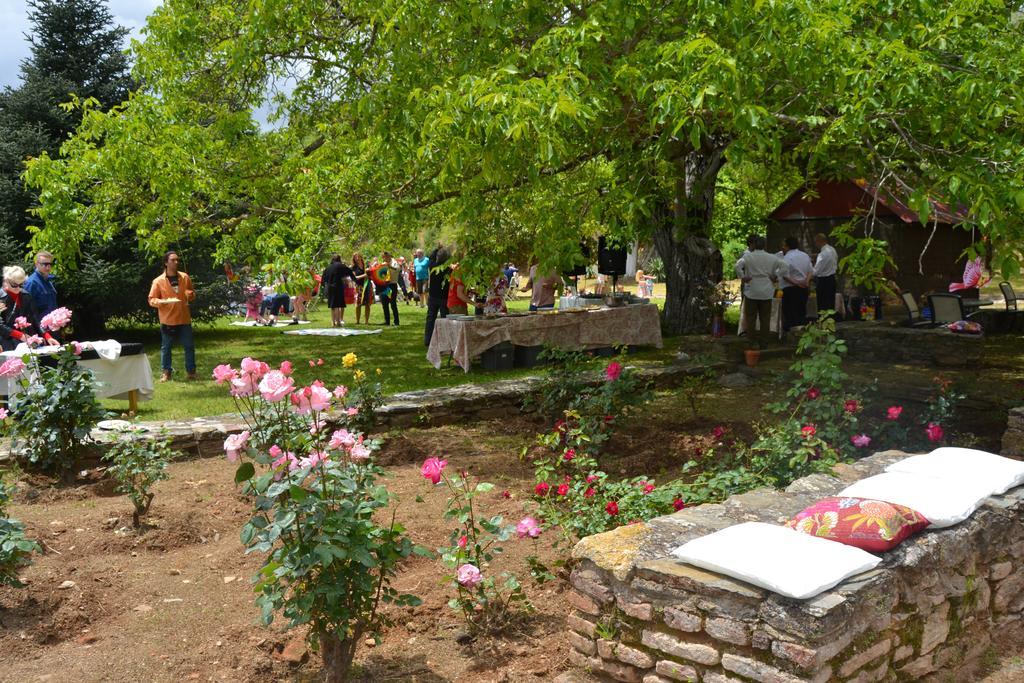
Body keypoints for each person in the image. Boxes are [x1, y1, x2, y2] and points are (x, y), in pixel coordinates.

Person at [147, 251, 197, 381]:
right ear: (166, 263)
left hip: (184, 318)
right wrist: (161, 302)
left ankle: (191, 372)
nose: (176, 262)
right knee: (166, 347)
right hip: (168, 319)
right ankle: (166, 373)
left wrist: (190, 294)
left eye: (177, 260)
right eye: (173, 260)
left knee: (189, 346)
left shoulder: (185, 277)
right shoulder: (158, 281)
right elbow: (151, 299)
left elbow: (192, 293)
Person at [735, 236, 785, 347]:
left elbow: (737, 265)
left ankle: (751, 341)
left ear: (754, 245)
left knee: (751, 317)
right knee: (765, 317)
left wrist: (743, 277)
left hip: (751, 289)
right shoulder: (771, 257)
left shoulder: (748, 257)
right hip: (766, 290)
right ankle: (764, 341)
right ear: (765, 245)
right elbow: (785, 266)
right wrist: (776, 276)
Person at [0, 266, 61, 352]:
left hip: (27, 340)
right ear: (6, 281)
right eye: (14, 285)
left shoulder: (26, 296)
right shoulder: (1, 297)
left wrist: (47, 336)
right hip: (7, 342)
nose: (18, 288)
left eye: (21, 285)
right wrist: (19, 335)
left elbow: (35, 319)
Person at [780, 236, 813, 332]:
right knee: (801, 312)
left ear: (787, 246)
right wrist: (806, 281)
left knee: (791, 314)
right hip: (804, 288)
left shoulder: (787, 257)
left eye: (784, 245)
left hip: (790, 289)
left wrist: (797, 283)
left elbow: (785, 275)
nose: (782, 247)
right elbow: (810, 271)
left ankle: (792, 336)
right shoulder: (805, 255)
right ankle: (802, 334)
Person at [424, 245, 451, 346]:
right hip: (444, 297)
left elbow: (431, 257)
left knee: (430, 319)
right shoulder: (448, 269)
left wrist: (436, 249)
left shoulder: (432, 266)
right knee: (445, 320)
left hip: (433, 296)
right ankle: (446, 341)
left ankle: (428, 340)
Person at [23, 251, 58, 319]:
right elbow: (26, 309)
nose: (48, 267)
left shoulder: (48, 280)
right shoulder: (32, 283)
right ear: (36, 264)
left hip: (52, 325)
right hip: (39, 327)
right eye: (44, 264)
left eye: (50, 264)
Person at [322, 254, 354, 326]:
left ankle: (333, 322)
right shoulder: (341, 265)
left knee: (332, 305)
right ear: (339, 259)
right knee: (338, 304)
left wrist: (325, 285)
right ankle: (338, 322)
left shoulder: (328, 267)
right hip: (338, 286)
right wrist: (354, 279)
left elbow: (323, 278)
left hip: (330, 287)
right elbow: (349, 272)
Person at [813, 233, 839, 318]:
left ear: (819, 242)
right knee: (831, 303)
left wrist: (809, 273)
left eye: (816, 242)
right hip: (832, 279)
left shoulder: (823, 254)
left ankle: (823, 322)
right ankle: (831, 321)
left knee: (823, 304)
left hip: (823, 281)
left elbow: (816, 271)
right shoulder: (832, 249)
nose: (815, 245)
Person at [374, 251, 401, 326]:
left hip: (392, 285)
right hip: (384, 286)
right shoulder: (382, 264)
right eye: (383, 257)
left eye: (385, 257)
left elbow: (397, 269)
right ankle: (387, 321)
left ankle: (396, 322)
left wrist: (389, 266)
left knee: (393, 303)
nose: (384, 258)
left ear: (389, 256)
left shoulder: (394, 262)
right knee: (384, 304)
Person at [350, 253, 373, 325]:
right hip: (359, 287)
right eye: (355, 257)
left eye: (358, 256)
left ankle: (366, 321)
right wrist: (364, 275)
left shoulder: (366, 265)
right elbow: (355, 278)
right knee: (358, 304)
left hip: (367, 285)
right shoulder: (353, 267)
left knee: (368, 304)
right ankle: (357, 321)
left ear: (360, 257)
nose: (357, 258)